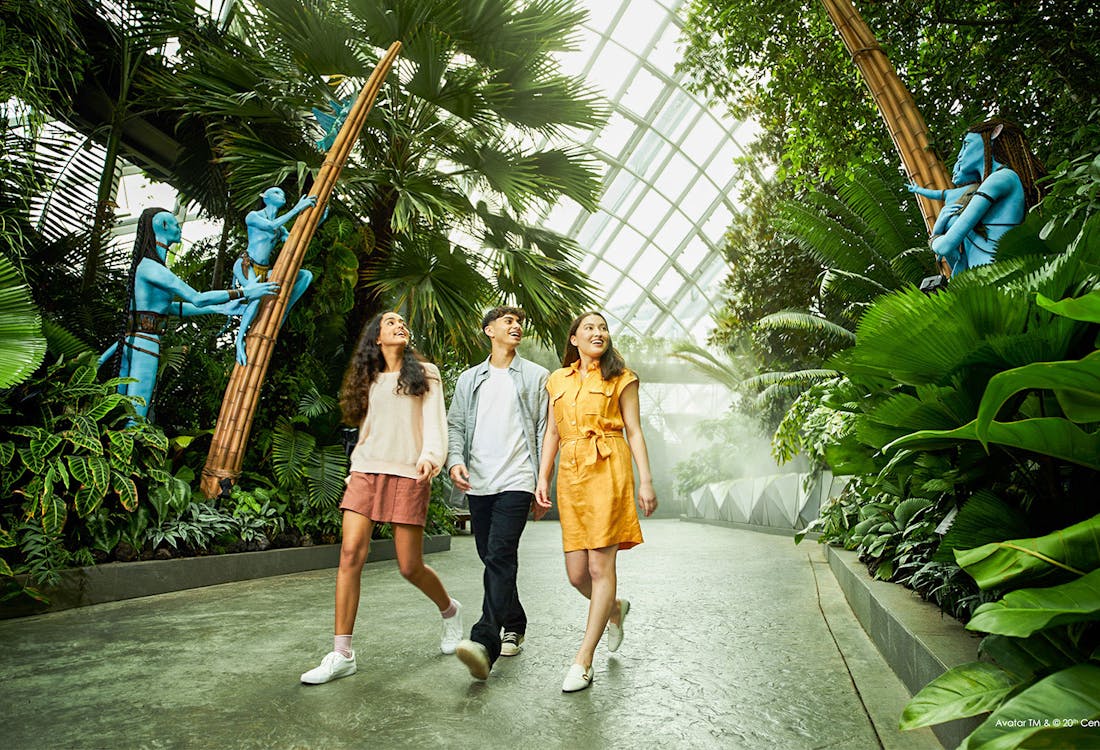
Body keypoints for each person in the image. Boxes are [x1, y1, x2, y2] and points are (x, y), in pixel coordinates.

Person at [301, 311, 462, 685]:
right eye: (390, 322)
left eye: (402, 322)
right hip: (366, 470)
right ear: (377, 337)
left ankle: (450, 610)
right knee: (350, 552)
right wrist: (355, 468)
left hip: (410, 471)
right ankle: (342, 653)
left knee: (409, 566)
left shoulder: (427, 374)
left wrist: (431, 457)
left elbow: (435, 423)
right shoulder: (369, 379)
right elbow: (368, 431)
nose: (399, 325)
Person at [535, 311, 658, 693]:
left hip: (608, 468)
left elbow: (634, 431)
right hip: (571, 477)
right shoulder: (557, 380)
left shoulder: (622, 377)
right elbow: (552, 433)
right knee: (576, 574)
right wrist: (543, 475)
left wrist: (646, 480)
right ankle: (614, 609)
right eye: (589, 327)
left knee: (600, 566)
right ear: (574, 339)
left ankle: (583, 660)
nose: (598, 332)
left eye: (603, 327)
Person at [447, 306, 550, 681]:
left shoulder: (537, 377)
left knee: (500, 554)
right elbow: (456, 425)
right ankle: (516, 622)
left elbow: (543, 430)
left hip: (518, 479)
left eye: (519, 321)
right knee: (492, 558)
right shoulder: (469, 379)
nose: (516, 326)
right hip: (479, 481)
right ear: (489, 330)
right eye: (507, 321)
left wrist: (542, 481)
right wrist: (455, 460)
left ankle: (484, 642)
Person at [98, 207, 278, 420]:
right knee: (135, 416)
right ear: (162, 226)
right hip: (144, 344)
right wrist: (244, 291)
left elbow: (172, 308)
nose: (178, 227)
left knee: (123, 412)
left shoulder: (149, 266)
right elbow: (197, 298)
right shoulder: (153, 268)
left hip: (135, 342)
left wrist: (219, 308)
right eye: (174, 223)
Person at [909, 119, 1045, 274]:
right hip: (982, 285)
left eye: (966, 145)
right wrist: (941, 227)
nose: (960, 155)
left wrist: (934, 238)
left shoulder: (1001, 178)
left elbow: (945, 246)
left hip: (1000, 278)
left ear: (994, 134)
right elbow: (960, 262)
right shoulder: (990, 186)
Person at [232, 186, 317, 366]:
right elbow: (271, 225)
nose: (282, 195)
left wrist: (317, 220)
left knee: (306, 276)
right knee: (255, 299)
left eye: (283, 192)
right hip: (247, 264)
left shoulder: (281, 229)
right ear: (265, 197)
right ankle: (239, 342)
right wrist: (297, 209)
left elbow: (294, 240)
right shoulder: (254, 216)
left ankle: (283, 312)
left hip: (265, 270)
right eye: (277, 192)